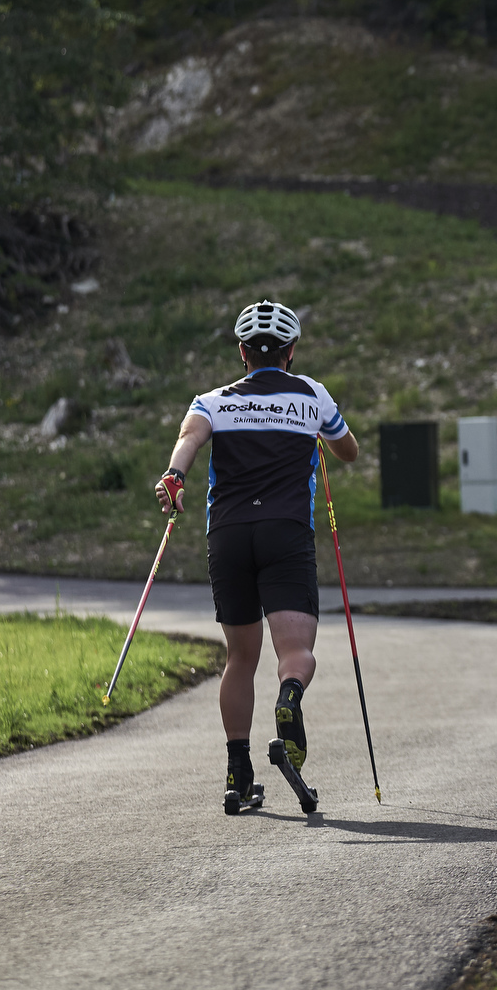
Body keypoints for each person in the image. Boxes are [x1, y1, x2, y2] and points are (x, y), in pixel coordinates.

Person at [154, 300, 359, 812]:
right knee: (296, 652)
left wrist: (175, 477)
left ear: (243, 352)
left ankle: (238, 773)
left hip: (228, 536)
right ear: (291, 352)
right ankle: (288, 698)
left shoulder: (212, 401)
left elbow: (188, 438)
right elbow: (348, 450)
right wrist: (318, 433)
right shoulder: (311, 394)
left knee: (240, 658)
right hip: (285, 533)